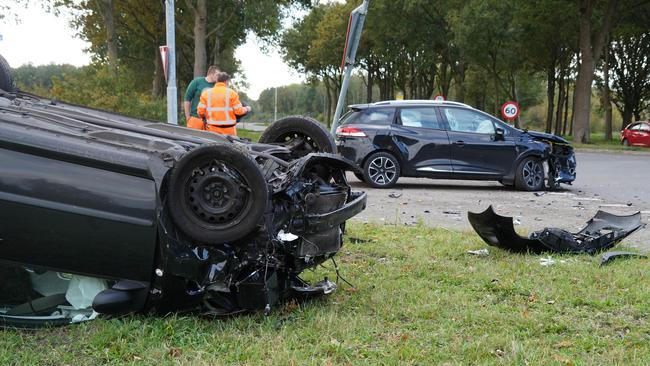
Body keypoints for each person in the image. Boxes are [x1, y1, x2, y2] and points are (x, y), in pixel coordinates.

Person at [183, 65, 220, 130]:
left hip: (211, 121)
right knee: (193, 139)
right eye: (217, 75)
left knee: (208, 140)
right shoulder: (197, 82)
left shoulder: (217, 86)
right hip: (195, 119)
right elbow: (187, 99)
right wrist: (188, 117)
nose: (219, 77)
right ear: (211, 74)